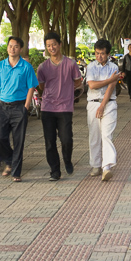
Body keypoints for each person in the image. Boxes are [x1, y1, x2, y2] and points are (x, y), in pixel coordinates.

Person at [0, 36, 38, 182]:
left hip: (19, 107)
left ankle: (16, 172)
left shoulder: (26, 67)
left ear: (20, 49)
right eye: (10, 46)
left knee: (18, 141)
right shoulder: (0, 66)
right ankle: (9, 160)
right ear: (7, 48)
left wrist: (26, 107)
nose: (12, 49)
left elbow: (31, 87)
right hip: (2, 107)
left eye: (15, 46)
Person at [36, 31, 83, 182]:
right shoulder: (42, 67)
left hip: (65, 108)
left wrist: (66, 92)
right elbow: (41, 86)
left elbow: (77, 82)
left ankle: (67, 160)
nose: (52, 48)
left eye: (54, 44)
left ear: (60, 44)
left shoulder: (70, 64)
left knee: (66, 139)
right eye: (48, 45)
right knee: (49, 142)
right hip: (47, 108)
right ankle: (55, 170)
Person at [86, 39, 122, 181]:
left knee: (107, 135)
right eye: (97, 53)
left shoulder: (113, 67)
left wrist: (103, 106)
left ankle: (106, 166)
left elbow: (110, 88)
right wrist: (111, 80)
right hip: (93, 103)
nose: (99, 56)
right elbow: (92, 85)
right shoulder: (91, 67)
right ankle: (95, 164)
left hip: (109, 103)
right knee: (94, 135)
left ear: (108, 54)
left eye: (102, 53)